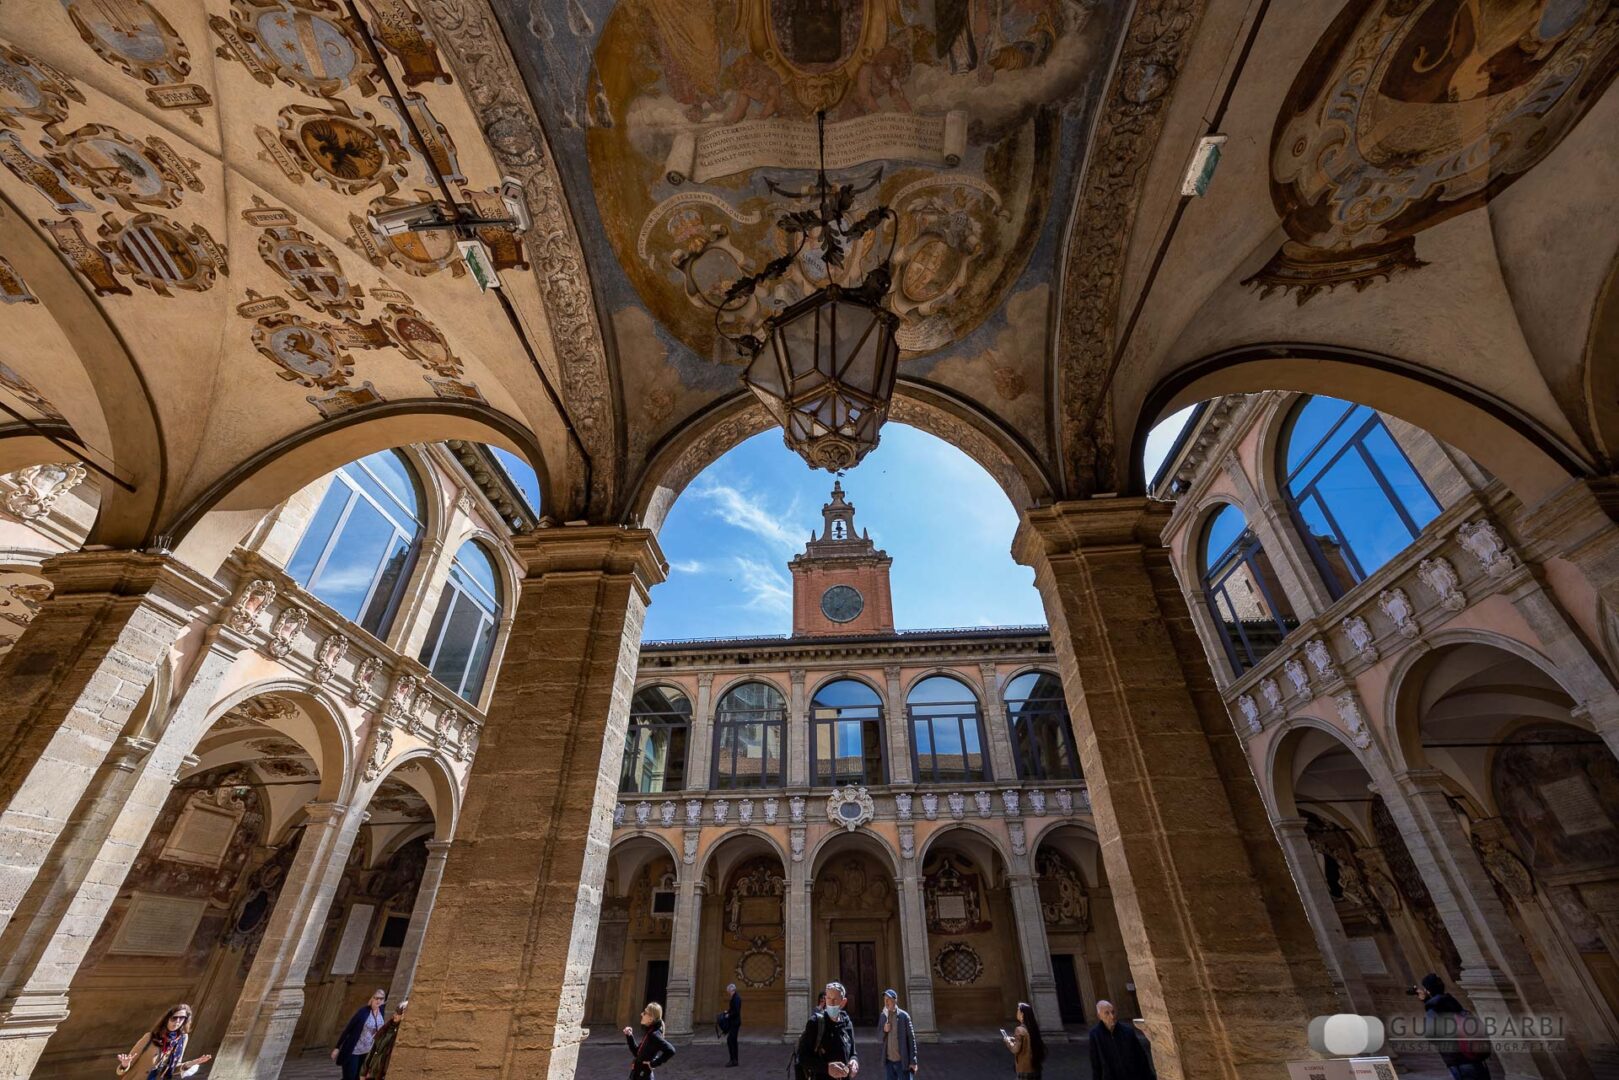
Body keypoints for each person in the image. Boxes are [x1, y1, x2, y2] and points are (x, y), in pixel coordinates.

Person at [1418, 973, 1493, 1079]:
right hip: (1474, 1056)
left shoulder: (1433, 1010)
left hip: (1458, 1060)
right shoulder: (1452, 1002)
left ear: (1428, 991)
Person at [115, 1004, 212, 1079]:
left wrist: (192, 1063)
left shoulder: (182, 1039)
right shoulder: (149, 1037)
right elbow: (124, 1067)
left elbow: (175, 1068)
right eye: (174, 1018)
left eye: (182, 1018)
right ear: (167, 1019)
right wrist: (125, 1064)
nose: (177, 1021)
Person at [797, 981, 860, 1080]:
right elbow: (802, 1057)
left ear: (843, 1002)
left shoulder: (847, 1023)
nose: (831, 1003)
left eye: (835, 999)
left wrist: (854, 1062)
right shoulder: (815, 1023)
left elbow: (853, 1053)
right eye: (829, 999)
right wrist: (827, 1068)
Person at [1087, 1000, 1155, 1080]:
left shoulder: (1127, 1031)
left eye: (1113, 1012)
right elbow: (1096, 1063)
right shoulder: (1095, 1035)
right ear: (1099, 1016)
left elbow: (1141, 1056)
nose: (1112, 1016)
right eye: (1107, 1013)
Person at [333, 988, 389, 1080]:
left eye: (381, 998)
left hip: (367, 1052)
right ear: (372, 998)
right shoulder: (363, 1012)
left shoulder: (381, 1012)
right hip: (354, 1050)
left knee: (359, 1077)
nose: (378, 1001)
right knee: (350, 1076)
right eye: (376, 998)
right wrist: (337, 1047)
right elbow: (348, 1029)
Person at [623, 1001, 677, 1080]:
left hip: (643, 1076)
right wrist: (629, 1036)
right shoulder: (650, 1032)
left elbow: (671, 1050)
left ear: (651, 1018)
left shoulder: (654, 1034)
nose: (642, 1014)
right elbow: (637, 1052)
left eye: (645, 1013)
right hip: (637, 1074)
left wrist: (654, 1063)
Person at [360, 999, 408, 1079]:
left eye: (399, 1013)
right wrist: (363, 1072)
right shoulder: (386, 1028)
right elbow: (373, 1050)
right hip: (372, 1073)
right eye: (395, 1012)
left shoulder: (402, 1033)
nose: (395, 1015)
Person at [1002, 1001, 1047, 1080]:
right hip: (1036, 1068)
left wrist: (1008, 1041)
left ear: (1022, 1014)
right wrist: (1014, 1039)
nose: (1016, 1012)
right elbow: (1028, 1040)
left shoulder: (1019, 1030)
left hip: (1024, 1069)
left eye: (1018, 1010)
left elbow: (1015, 1049)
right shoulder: (1033, 1028)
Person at [880, 988, 918, 1080]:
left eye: (888, 999)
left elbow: (911, 1040)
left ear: (895, 1000)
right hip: (889, 1062)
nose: (886, 1002)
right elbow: (879, 1037)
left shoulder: (904, 1016)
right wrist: (884, 1030)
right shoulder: (883, 1016)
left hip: (902, 1061)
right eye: (885, 1000)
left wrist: (913, 1061)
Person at [725, 981, 742, 1066]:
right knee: (732, 1040)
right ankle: (734, 1060)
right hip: (734, 1022)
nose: (728, 993)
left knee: (731, 1040)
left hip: (735, 1022)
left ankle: (734, 1060)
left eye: (729, 991)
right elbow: (733, 1009)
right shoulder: (735, 997)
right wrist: (727, 1012)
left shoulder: (736, 998)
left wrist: (729, 1015)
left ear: (732, 990)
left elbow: (736, 1011)